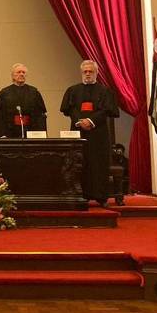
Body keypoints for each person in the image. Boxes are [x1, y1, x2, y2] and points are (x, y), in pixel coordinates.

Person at [59, 60, 119, 206]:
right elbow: (69, 109)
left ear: (96, 73)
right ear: (81, 73)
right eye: (85, 71)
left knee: (98, 164)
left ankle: (101, 197)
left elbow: (107, 110)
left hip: (98, 134)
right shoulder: (73, 90)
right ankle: (81, 196)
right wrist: (80, 121)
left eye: (90, 71)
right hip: (78, 134)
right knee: (80, 164)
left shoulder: (105, 91)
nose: (87, 74)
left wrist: (91, 121)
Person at [0, 63, 47, 138]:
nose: (21, 74)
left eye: (23, 72)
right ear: (12, 75)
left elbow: (40, 115)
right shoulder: (4, 93)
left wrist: (40, 133)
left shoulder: (34, 92)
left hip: (31, 131)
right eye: (18, 72)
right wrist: (2, 134)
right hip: (10, 132)